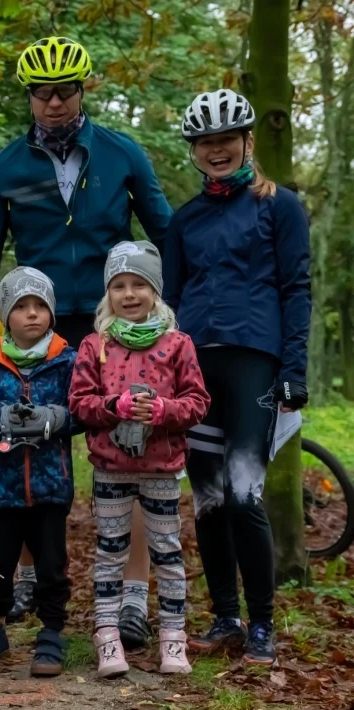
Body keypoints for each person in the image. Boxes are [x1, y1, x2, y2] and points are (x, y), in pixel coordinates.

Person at [0, 37, 173, 641]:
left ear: (83, 91)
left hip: (115, 322)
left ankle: (133, 595)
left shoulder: (121, 152)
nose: (53, 103)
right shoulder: (5, 166)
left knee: (130, 450)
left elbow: (165, 234)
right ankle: (24, 578)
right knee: (25, 441)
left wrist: (174, 319)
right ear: (28, 96)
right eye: (41, 93)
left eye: (64, 91)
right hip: (38, 322)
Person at [165, 90, 311, 665]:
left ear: (248, 141)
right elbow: (170, 299)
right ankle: (225, 616)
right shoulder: (184, 219)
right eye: (206, 142)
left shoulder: (281, 206)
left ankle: (262, 625)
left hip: (256, 357)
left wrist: (294, 368)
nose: (217, 149)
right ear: (195, 152)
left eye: (226, 138)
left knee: (244, 493)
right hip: (195, 365)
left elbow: (296, 289)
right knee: (207, 499)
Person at [69, 241, 210, 678]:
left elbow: (198, 402)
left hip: (162, 471)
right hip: (111, 468)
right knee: (110, 553)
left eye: (139, 285)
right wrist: (114, 407)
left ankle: (173, 638)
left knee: (168, 552)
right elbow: (78, 403)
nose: (129, 294)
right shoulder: (96, 345)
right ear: (108, 293)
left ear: (156, 290)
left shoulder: (178, 344)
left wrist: (164, 411)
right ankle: (107, 638)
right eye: (119, 286)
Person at [0, 267, 76, 677]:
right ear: (4, 314)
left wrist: (59, 416)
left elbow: (85, 408)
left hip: (51, 485)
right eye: (21, 307)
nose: (32, 314)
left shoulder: (68, 359)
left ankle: (52, 631)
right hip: (1, 484)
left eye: (40, 306)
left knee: (52, 563)